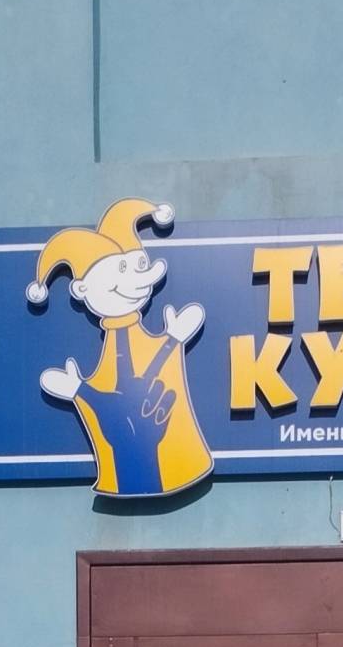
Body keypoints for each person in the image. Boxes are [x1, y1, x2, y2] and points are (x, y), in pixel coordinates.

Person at [25, 199, 213, 498]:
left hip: (172, 455)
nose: (137, 278)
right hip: (130, 467)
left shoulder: (144, 343)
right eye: (122, 268)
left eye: (139, 265)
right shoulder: (112, 353)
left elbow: (158, 372)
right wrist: (77, 389)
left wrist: (174, 339)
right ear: (81, 289)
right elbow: (108, 395)